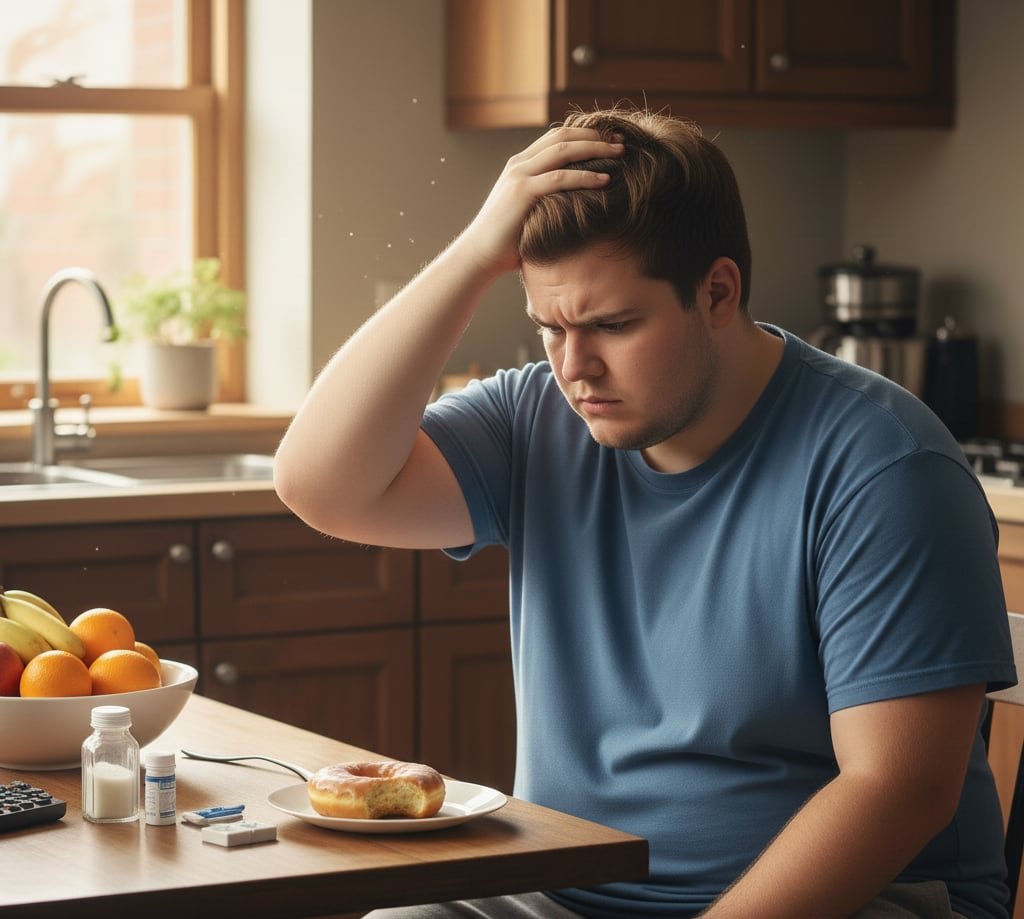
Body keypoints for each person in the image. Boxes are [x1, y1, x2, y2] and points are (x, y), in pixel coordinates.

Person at [273, 107, 1017, 919]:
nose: (574, 366)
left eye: (613, 324)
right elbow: (320, 485)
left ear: (718, 291)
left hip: (864, 901)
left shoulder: (884, 464)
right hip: (566, 893)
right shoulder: (537, 420)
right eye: (548, 326)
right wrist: (477, 251)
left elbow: (899, 789)